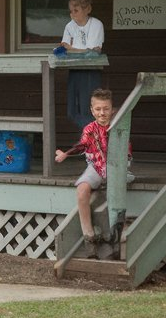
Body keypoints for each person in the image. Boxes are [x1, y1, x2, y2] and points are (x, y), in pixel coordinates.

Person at [55, 88, 132, 258]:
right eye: (98, 109)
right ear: (92, 110)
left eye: (106, 108)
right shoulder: (90, 129)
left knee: (115, 193)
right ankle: (89, 236)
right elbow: (82, 146)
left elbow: (125, 152)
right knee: (82, 189)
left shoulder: (119, 125)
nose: (102, 113)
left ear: (112, 109)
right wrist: (66, 154)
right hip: (96, 166)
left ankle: (115, 237)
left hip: (117, 168)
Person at [57, 0, 105, 129]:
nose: (73, 14)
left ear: (87, 9)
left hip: (90, 71)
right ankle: (85, 141)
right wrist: (78, 50)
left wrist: (73, 49)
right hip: (75, 70)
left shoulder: (96, 25)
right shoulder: (70, 26)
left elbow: (93, 53)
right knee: (72, 110)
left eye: (76, 10)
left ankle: (91, 145)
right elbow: (65, 49)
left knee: (88, 110)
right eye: (70, 11)